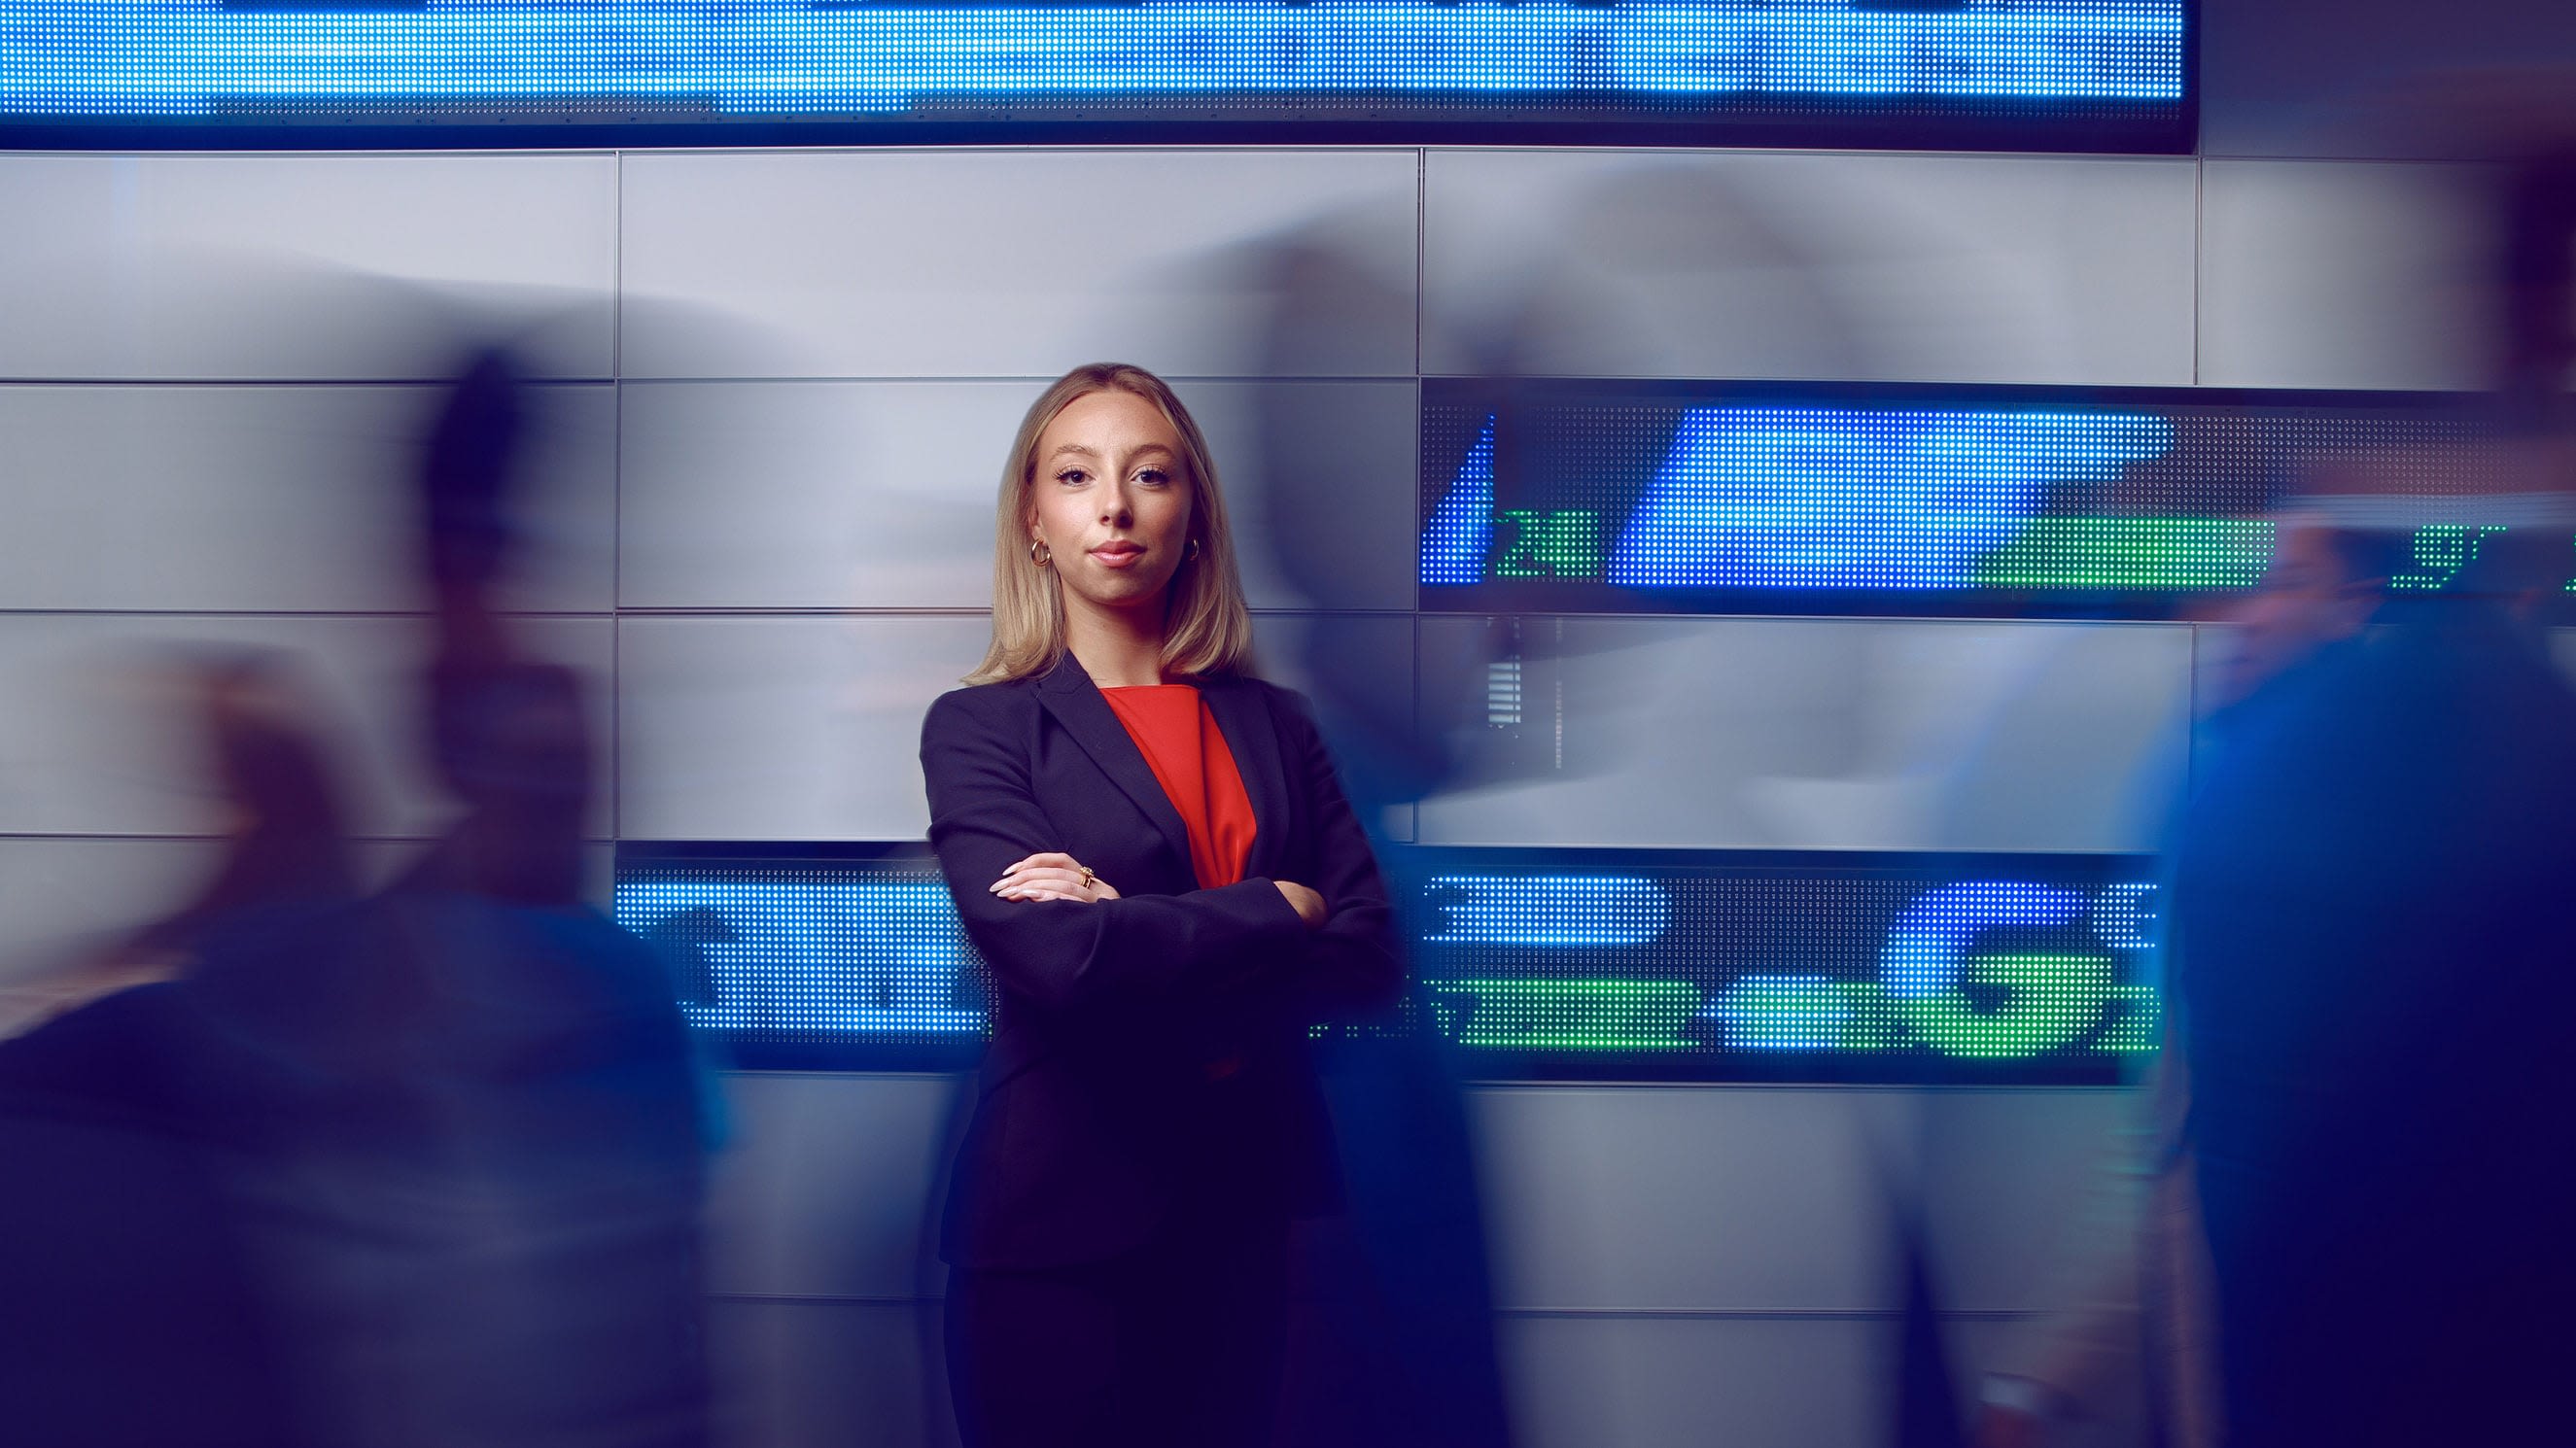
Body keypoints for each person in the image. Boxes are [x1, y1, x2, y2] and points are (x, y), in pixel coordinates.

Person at [920, 362, 1405, 1448]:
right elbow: (1050, 958)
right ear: (1035, 522)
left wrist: (1123, 912)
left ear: (1193, 515)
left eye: (1150, 474)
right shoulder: (983, 727)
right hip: (1055, 1235)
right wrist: (1279, 906)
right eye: (1076, 474)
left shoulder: (1276, 723)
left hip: (1246, 1209)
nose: (1115, 505)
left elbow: (1369, 956)